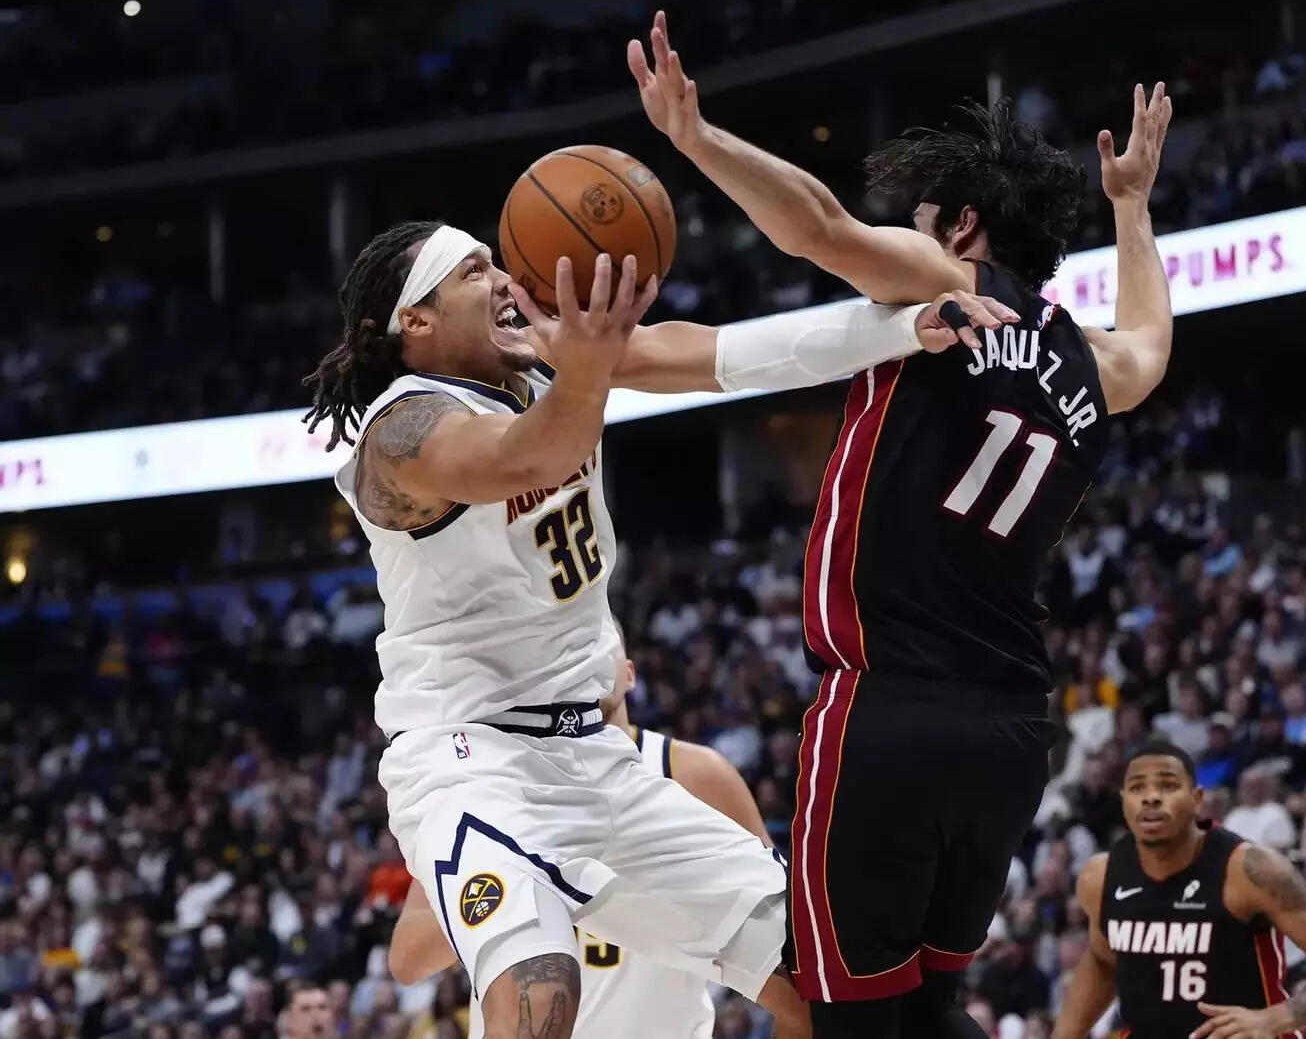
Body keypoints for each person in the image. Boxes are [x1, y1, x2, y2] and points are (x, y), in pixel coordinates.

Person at [302, 210, 1011, 1039]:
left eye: (498, 264)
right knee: (540, 989)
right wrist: (590, 365)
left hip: (599, 755)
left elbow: (724, 358)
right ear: (414, 321)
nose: (503, 280)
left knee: (837, 978)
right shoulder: (400, 432)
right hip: (473, 757)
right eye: (472, 273)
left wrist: (897, 331)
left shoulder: (542, 363)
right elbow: (527, 457)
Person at [630, 11, 1175, 1039]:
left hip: (888, 708)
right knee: (928, 1007)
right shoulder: (1091, 366)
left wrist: (696, 139)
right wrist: (1133, 210)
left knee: (842, 1016)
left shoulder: (946, 288)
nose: (905, 236)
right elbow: (1150, 341)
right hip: (1011, 728)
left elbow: (820, 228)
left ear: (961, 226)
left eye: (919, 218)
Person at [386, 629, 766, 1039]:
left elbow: (775, 928)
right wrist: (518, 894)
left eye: (595, 643)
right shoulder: (481, 786)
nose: (580, 662)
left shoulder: (694, 774)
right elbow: (407, 961)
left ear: (629, 673)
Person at [1053, 740, 1306, 1039]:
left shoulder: (1249, 869)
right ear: (1123, 802)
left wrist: (1278, 1019)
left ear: (1197, 799)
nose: (1151, 798)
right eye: (1137, 788)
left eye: (1167, 786)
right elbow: (1103, 962)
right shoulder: (1101, 877)